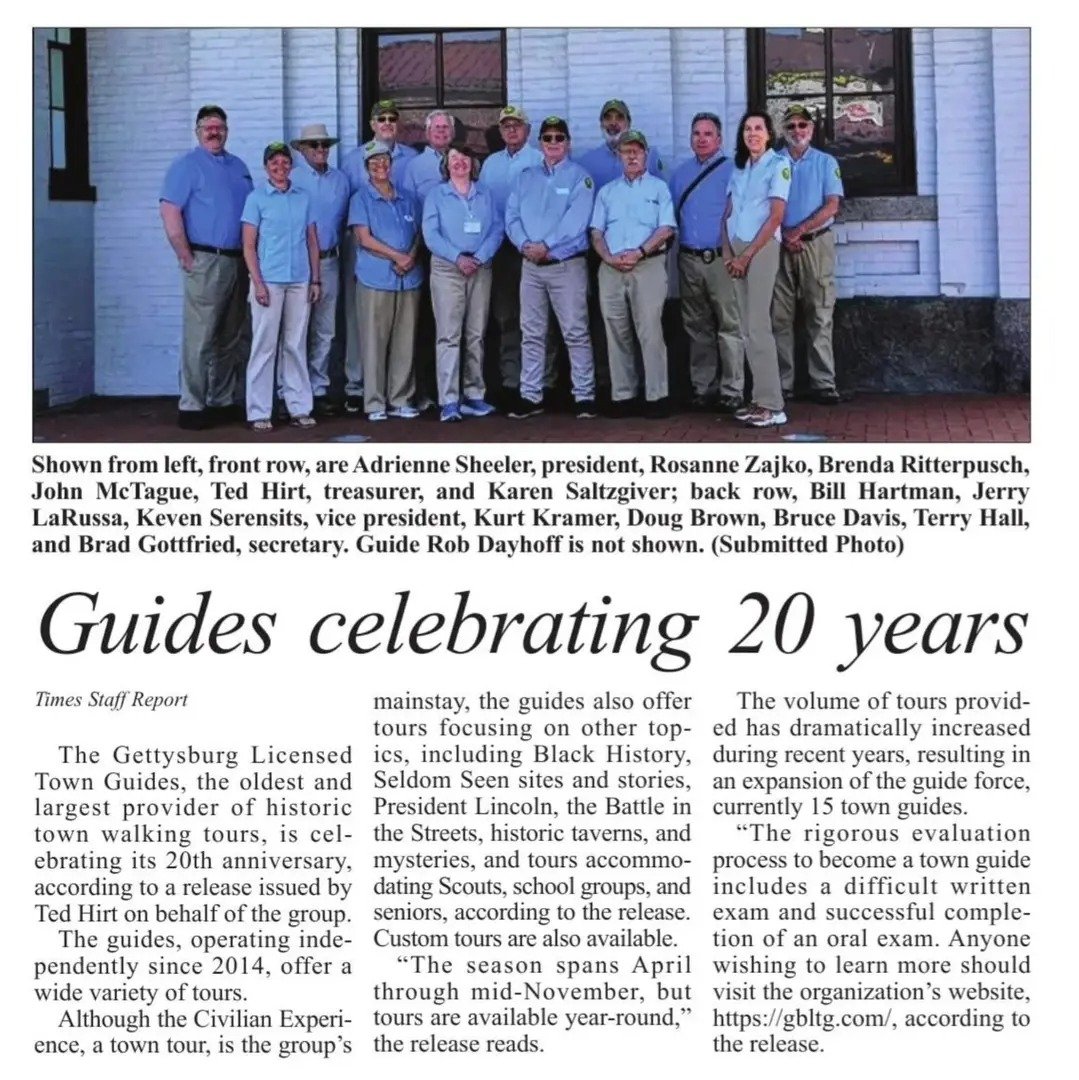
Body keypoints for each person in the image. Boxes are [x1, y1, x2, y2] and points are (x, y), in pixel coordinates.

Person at [159, 104, 253, 430]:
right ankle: (192, 404)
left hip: (238, 260)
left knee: (231, 334)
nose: (214, 132)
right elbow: (170, 212)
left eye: (219, 127)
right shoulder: (186, 166)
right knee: (200, 336)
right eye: (208, 127)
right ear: (198, 131)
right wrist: (185, 256)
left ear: (227, 130)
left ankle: (222, 400)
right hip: (205, 259)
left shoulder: (239, 167)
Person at [505, 116, 596, 420]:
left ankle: (584, 395)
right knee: (531, 332)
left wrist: (548, 245)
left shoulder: (580, 177)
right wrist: (524, 245)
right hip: (531, 265)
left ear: (567, 143)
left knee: (575, 331)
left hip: (565, 265)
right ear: (540, 142)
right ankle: (531, 394)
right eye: (548, 138)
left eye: (559, 137)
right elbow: (512, 216)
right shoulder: (525, 177)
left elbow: (577, 220)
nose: (553, 143)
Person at [339, 100, 419, 415]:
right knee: (371, 339)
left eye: (384, 162)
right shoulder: (359, 191)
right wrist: (398, 256)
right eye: (374, 163)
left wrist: (409, 257)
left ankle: (400, 398)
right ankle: (371, 400)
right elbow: (363, 237)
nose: (380, 167)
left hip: (408, 276)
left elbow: (419, 233)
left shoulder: (408, 197)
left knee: (404, 340)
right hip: (374, 273)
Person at [589, 130, 676, 418]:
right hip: (611, 267)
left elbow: (666, 229)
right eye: (627, 151)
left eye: (637, 151)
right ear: (619, 156)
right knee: (616, 331)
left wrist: (639, 251)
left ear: (646, 155)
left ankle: (657, 395)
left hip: (647, 264)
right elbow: (596, 232)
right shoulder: (607, 192)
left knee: (650, 330)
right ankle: (623, 394)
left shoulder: (659, 189)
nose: (632, 156)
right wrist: (608, 257)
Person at [240, 143, 320, 432]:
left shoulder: (303, 198)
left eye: (285, 162)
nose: (280, 167)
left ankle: (299, 407)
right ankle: (259, 411)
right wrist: (258, 283)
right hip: (269, 282)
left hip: (299, 279)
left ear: (291, 166)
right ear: (266, 167)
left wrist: (316, 279)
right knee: (264, 346)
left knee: (295, 345)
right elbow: (248, 245)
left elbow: (312, 240)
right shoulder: (256, 199)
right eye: (274, 162)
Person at [772, 104, 848, 405]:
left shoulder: (826, 163)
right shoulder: (772, 162)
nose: (797, 131)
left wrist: (799, 231)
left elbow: (832, 205)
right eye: (790, 126)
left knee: (819, 314)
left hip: (815, 245)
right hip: (778, 245)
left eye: (802, 125)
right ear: (782, 131)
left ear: (811, 130)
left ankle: (823, 383)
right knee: (780, 317)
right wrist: (784, 235)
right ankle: (783, 383)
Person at [422, 144, 503, 422]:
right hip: (447, 270)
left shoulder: (486, 194)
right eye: (453, 158)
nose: (459, 163)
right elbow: (430, 234)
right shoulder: (436, 196)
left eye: (464, 158)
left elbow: (497, 228)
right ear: (446, 165)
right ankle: (449, 400)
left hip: (480, 269)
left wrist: (479, 257)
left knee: (476, 334)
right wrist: (457, 257)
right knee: (448, 335)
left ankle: (474, 395)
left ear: (473, 163)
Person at [669, 111, 743, 412]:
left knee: (729, 326)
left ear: (720, 139)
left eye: (708, 134)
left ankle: (733, 389)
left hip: (721, 259)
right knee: (696, 327)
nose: (702, 139)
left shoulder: (733, 172)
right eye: (697, 134)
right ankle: (704, 387)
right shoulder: (680, 174)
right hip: (689, 260)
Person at [721, 109, 791, 428]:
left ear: (769, 133)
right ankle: (758, 398)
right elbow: (728, 212)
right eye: (747, 129)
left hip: (760, 249)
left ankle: (773, 405)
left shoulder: (779, 165)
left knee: (758, 325)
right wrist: (727, 252)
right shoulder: (739, 168)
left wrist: (746, 256)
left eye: (758, 128)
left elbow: (775, 216)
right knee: (745, 328)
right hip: (736, 250)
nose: (752, 133)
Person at [478, 105, 543, 402]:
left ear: (527, 130)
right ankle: (510, 380)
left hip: (531, 249)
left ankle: (542, 383)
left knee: (537, 318)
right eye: (506, 126)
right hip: (501, 249)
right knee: (506, 317)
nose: (512, 130)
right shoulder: (490, 164)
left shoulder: (540, 159)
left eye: (517, 125)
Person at [288, 123, 350, 417]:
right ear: (302, 149)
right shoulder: (292, 178)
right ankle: (290, 391)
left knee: (325, 329)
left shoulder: (341, 180)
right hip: (298, 262)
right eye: (314, 145)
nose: (321, 150)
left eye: (325, 144)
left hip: (330, 260)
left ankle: (318, 389)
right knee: (296, 329)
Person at [404, 110, 458, 413]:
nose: (440, 132)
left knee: (457, 325)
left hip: (462, 255)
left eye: (445, 127)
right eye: (435, 127)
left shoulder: (462, 160)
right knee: (426, 323)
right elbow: (409, 210)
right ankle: (426, 391)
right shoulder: (414, 166)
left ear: (452, 132)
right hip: (426, 251)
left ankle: (459, 390)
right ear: (427, 132)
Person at [577, 99, 665, 186]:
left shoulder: (650, 157)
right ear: (601, 124)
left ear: (629, 123)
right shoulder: (587, 162)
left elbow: (662, 194)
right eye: (608, 118)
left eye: (619, 117)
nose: (613, 123)